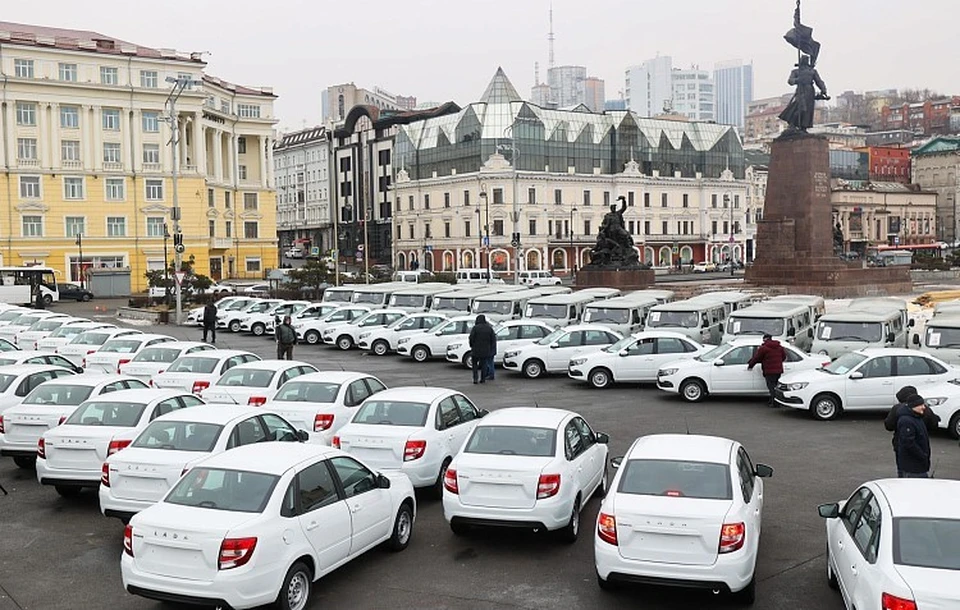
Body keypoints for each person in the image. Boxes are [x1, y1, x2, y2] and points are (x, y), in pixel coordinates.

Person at [885, 386, 940, 476]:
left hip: (900, 446)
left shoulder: (897, 409)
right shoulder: (925, 410)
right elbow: (934, 425)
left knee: (903, 470)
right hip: (921, 447)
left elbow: (888, 426)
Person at [895, 395, 932, 479]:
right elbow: (908, 443)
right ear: (913, 406)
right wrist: (922, 456)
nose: (924, 407)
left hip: (919, 466)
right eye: (920, 405)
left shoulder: (917, 417)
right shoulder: (906, 421)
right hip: (912, 468)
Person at [747, 334, 787, 407]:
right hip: (778, 370)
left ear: (765, 339)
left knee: (771, 387)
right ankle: (773, 400)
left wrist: (750, 365)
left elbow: (757, 358)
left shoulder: (764, 348)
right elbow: (783, 357)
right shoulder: (779, 347)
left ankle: (775, 403)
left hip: (769, 371)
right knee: (775, 386)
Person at [468, 314, 497, 384]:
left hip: (476, 350)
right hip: (485, 350)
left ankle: (475, 378)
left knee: (474, 365)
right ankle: (483, 379)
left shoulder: (475, 328)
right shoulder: (489, 328)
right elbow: (493, 340)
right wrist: (491, 348)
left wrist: (471, 345)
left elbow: (471, 338)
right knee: (484, 365)